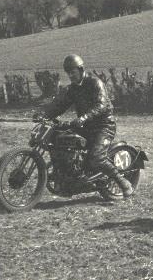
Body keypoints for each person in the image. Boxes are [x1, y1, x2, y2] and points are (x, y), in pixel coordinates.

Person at [34, 54, 134, 197]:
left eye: (73, 72)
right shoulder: (72, 89)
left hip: (103, 126)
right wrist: (44, 115)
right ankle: (70, 177)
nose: (70, 76)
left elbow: (102, 104)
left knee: (96, 157)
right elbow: (59, 106)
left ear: (81, 69)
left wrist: (84, 117)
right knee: (60, 140)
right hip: (85, 126)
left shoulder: (95, 83)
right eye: (68, 73)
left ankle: (123, 182)